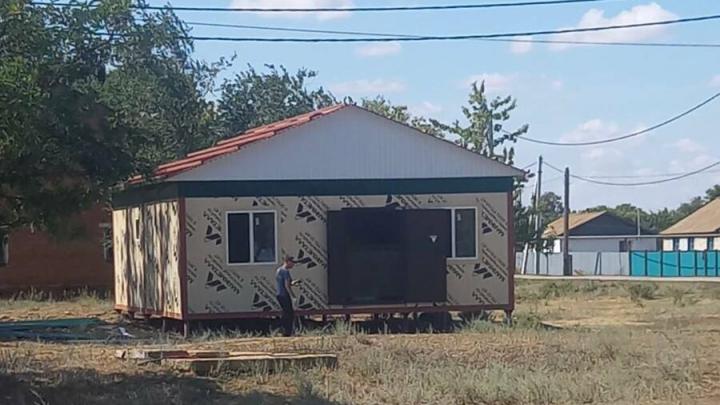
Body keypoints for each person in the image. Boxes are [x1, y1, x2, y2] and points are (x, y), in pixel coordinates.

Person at [276, 255, 299, 336]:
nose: (293, 264)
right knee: (289, 314)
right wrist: (293, 296)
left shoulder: (279, 270)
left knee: (285, 313)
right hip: (284, 295)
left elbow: (285, 283)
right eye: (292, 262)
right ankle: (287, 332)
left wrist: (293, 283)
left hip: (279, 294)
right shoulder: (285, 271)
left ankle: (283, 331)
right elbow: (286, 286)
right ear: (287, 261)